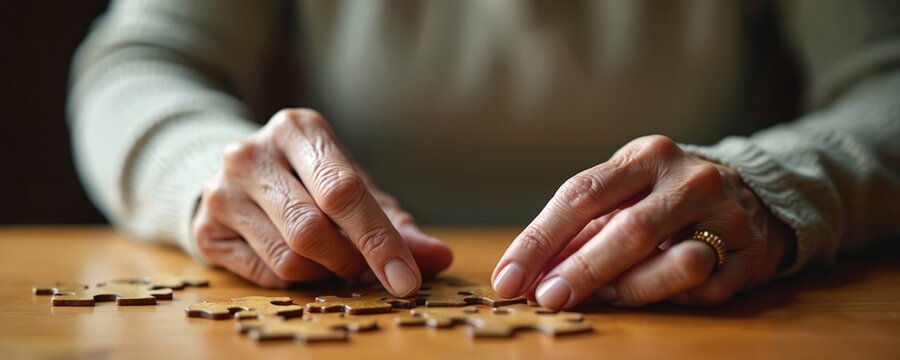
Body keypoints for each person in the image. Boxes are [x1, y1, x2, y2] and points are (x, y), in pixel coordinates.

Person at [68, 0, 900, 310]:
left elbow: (886, 84)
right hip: (358, 288)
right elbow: (135, 62)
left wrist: (774, 186)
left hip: (701, 310)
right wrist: (207, 166)